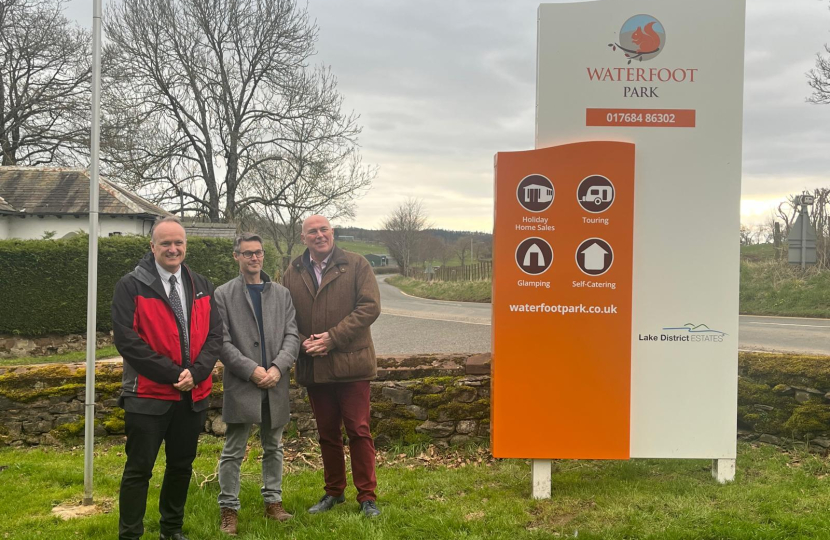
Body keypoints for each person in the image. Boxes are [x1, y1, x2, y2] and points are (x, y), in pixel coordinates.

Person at [112, 216, 223, 540]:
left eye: (178, 243)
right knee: (138, 471)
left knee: (180, 468)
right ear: (152, 247)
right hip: (147, 396)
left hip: (192, 397)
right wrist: (175, 374)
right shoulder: (129, 286)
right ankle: (130, 535)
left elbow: (215, 335)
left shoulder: (201, 284)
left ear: (185, 246)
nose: (173, 249)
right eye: (166, 243)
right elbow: (127, 341)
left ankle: (171, 530)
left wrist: (198, 372)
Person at [281, 214, 382, 518]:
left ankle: (367, 497)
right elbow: (283, 316)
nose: (319, 235)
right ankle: (334, 492)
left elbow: (369, 307)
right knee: (327, 433)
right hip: (315, 366)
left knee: (359, 430)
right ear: (303, 238)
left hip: (352, 364)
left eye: (324, 229)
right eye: (312, 232)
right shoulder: (292, 272)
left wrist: (332, 338)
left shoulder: (357, 264)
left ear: (332, 233)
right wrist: (303, 343)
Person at [213, 233, 300, 535]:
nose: (254, 258)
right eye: (247, 253)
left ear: (264, 255)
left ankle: (273, 502)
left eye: (258, 252)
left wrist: (278, 368)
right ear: (236, 256)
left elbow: (292, 335)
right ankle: (228, 509)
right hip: (242, 383)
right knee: (233, 449)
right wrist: (251, 370)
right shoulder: (222, 294)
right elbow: (222, 342)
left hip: (276, 383)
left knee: (274, 446)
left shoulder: (282, 294)